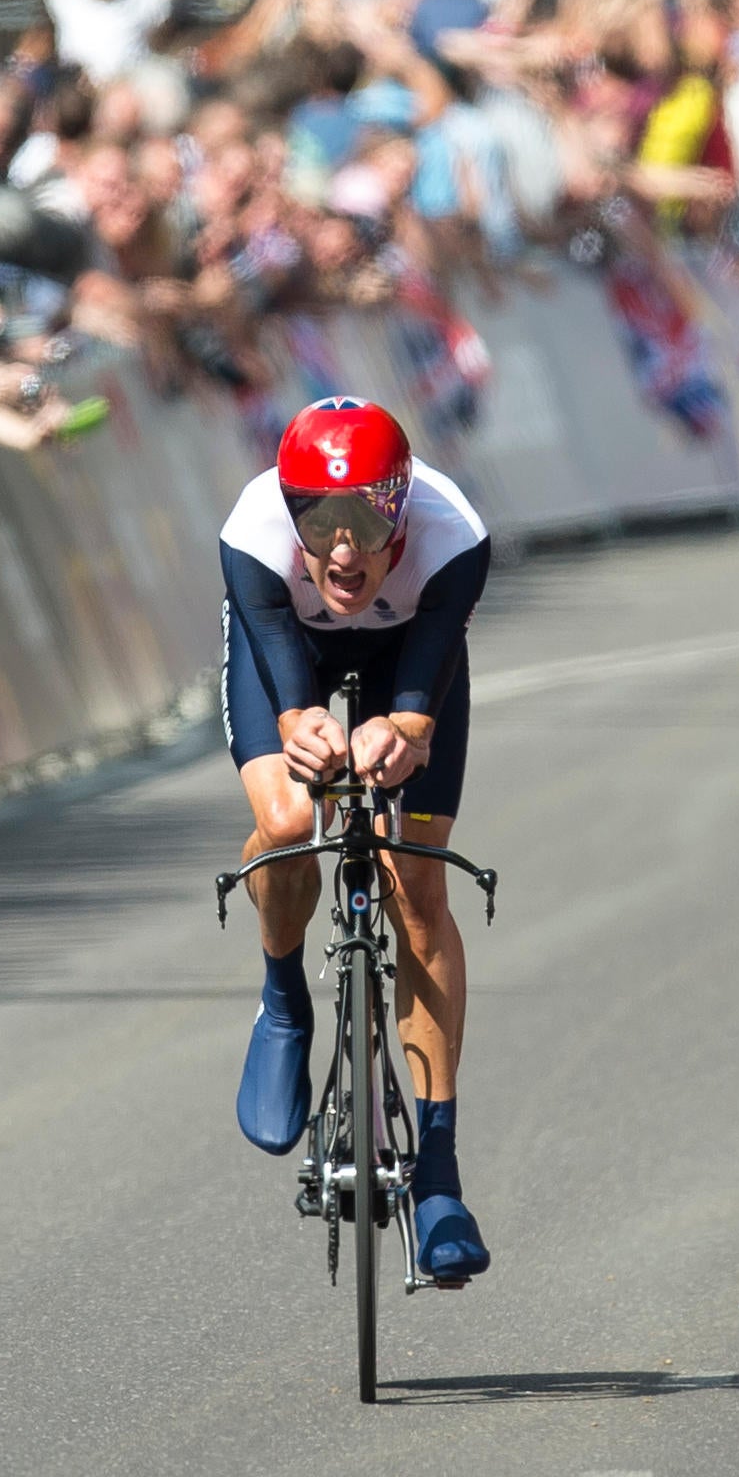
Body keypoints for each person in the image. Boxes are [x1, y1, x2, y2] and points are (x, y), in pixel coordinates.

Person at [219, 396, 492, 1285]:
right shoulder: (256, 535)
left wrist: (404, 730)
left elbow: (423, 687)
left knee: (419, 887)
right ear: (290, 507)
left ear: (402, 505)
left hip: (404, 648)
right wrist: (308, 730)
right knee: (294, 820)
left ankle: (440, 1170)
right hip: (290, 648)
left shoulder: (454, 539)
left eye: (368, 518)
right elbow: (290, 695)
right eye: (320, 519)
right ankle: (284, 998)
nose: (343, 550)